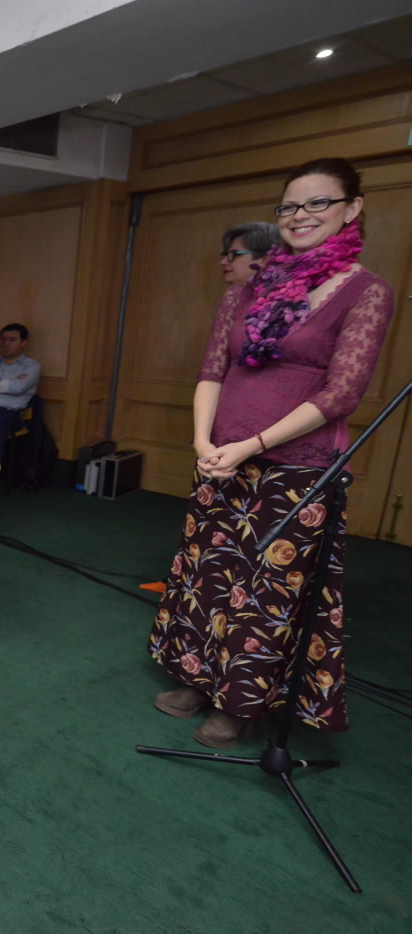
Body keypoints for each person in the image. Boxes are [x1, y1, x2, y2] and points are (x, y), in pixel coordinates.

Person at [149, 157, 394, 749]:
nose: (301, 215)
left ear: (352, 209)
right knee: (208, 574)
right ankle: (197, 676)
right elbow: (213, 371)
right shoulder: (247, 291)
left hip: (296, 467)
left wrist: (251, 446)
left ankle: (240, 704)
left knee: (266, 591)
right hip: (221, 457)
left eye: (318, 203)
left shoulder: (366, 292)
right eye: (290, 206)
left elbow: (342, 395)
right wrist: (206, 442)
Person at [219, 221, 281, 287]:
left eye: (234, 254)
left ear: (265, 260)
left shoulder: (282, 292)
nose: (223, 262)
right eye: (226, 254)